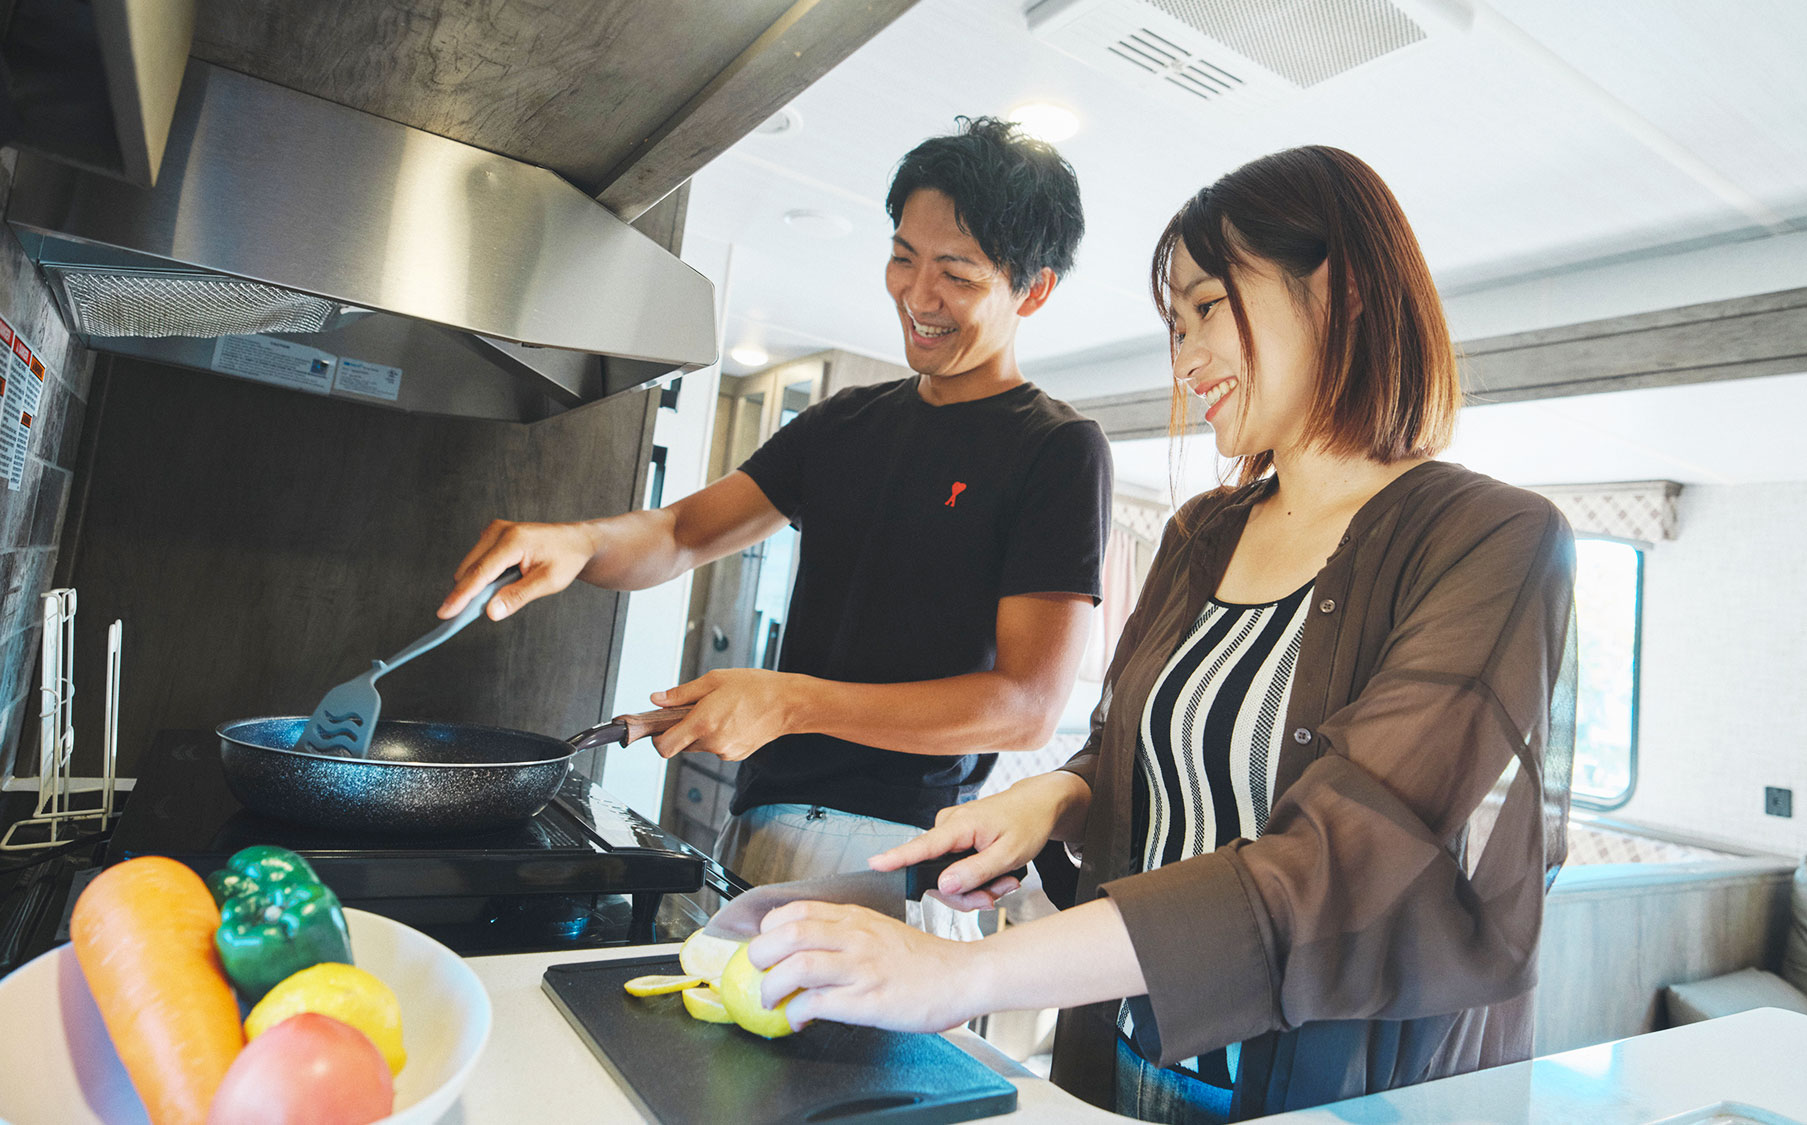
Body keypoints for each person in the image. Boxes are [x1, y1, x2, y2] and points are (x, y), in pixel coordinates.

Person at [741, 145, 1578, 1123]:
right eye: (1172, 326)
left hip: (1334, 1093)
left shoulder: (1492, 539)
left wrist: (960, 978)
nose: (1184, 362)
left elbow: (1348, 860)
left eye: (1207, 308)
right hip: (1133, 1057)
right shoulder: (1200, 535)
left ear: (1341, 287)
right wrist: (1051, 799)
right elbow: (1127, 750)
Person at [440, 117, 1113, 887]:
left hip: (898, 844)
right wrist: (580, 543)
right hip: (764, 817)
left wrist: (790, 703)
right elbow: (682, 531)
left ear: (1035, 289)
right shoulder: (844, 423)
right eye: (903, 256)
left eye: (957, 274)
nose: (917, 294)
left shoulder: (1057, 448)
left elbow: (1025, 705)